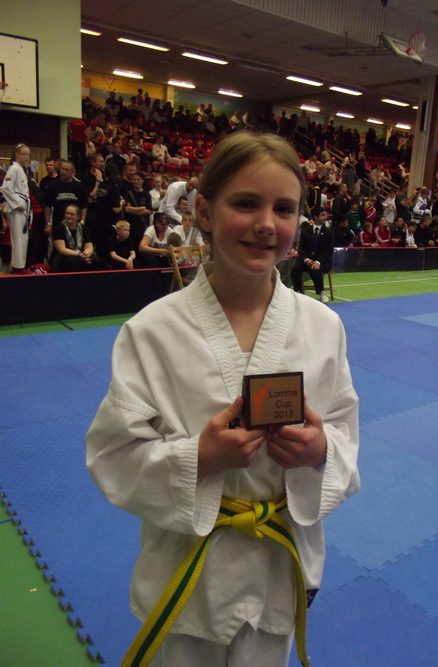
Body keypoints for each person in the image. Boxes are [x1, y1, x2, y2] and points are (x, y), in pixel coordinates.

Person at [86, 132, 359, 667]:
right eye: (246, 203)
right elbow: (112, 455)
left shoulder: (324, 326)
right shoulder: (152, 331)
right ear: (204, 213)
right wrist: (199, 457)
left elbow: (344, 427)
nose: (267, 223)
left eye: (284, 208)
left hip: (278, 563)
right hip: (188, 571)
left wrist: (320, 451)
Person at [0, 143, 33, 274]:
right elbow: (5, 188)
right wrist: (17, 203)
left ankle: (19, 265)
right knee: (18, 237)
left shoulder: (21, 169)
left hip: (22, 205)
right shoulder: (14, 168)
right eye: (24, 154)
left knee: (22, 237)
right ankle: (17, 267)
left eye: (28, 155)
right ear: (17, 154)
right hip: (17, 207)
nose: (27, 157)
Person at [292, 207, 334, 303]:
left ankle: (321, 292)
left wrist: (318, 262)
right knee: (295, 269)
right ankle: (298, 291)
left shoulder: (329, 232)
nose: (326, 217)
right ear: (315, 217)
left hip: (323, 261)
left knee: (315, 269)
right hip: (308, 260)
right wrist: (306, 259)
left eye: (326, 215)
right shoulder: (305, 231)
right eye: (323, 215)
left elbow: (328, 251)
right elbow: (302, 248)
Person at [49, 204, 99, 272]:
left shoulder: (83, 228)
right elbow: (61, 249)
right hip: (63, 256)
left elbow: (89, 247)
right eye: (67, 213)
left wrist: (85, 255)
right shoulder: (59, 227)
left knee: (95, 260)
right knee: (73, 261)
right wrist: (79, 255)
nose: (69, 216)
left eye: (72, 214)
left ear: (78, 217)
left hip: (80, 255)